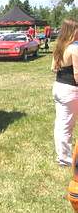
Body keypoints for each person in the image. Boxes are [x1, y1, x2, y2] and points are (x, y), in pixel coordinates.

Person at [52, 18, 78, 166]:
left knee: (61, 124)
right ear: (72, 31)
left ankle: (63, 156)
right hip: (70, 90)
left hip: (58, 87)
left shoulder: (59, 47)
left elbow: (53, 68)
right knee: (66, 126)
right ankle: (65, 159)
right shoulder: (74, 48)